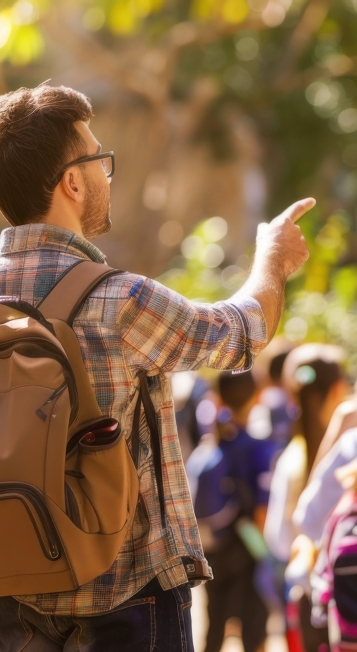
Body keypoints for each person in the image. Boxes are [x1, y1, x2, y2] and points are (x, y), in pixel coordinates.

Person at [0, 82, 311, 651]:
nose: (106, 176)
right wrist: (272, 257)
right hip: (127, 601)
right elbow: (241, 334)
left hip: (10, 594)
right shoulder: (120, 301)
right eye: (99, 160)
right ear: (71, 181)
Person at [264, 343, 349, 652]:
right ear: (339, 388)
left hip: (309, 603)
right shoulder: (349, 455)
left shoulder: (290, 461)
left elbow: (278, 539)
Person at [186, 369, 278, 652]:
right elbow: (262, 510)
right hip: (249, 549)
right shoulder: (260, 447)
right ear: (258, 395)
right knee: (253, 630)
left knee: (214, 625)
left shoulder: (212, 443)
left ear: (218, 398)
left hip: (214, 546)